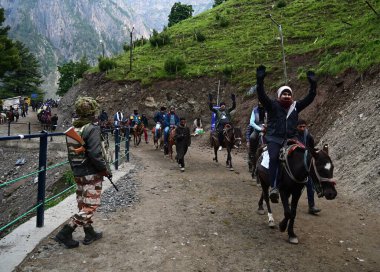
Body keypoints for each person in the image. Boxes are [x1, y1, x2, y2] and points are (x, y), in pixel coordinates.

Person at [55, 96, 111, 249]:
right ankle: (65, 232)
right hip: (91, 173)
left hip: (78, 172)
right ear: (92, 112)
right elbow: (95, 153)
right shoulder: (91, 129)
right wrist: (104, 169)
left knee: (82, 202)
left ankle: (89, 232)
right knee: (90, 206)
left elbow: (72, 153)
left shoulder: (74, 129)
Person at [256, 65, 317, 203]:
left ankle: (315, 185)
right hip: (274, 138)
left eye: (289, 93)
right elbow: (261, 95)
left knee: (307, 156)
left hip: (291, 138)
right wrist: (260, 81)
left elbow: (310, 98)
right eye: (284, 93)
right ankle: (274, 187)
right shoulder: (271, 105)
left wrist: (313, 85)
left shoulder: (296, 106)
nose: (287, 96)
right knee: (273, 157)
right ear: (279, 95)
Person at [296, 119, 321, 215]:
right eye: (300, 127)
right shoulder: (293, 136)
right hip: (296, 162)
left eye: (304, 126)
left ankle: (311, 206)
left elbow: (311, 148)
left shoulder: (308, 136)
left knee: (310, 185)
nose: (302, 128)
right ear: (296, 127)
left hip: (306, 164)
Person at [246, 102, 266, 174]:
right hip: (257, 129)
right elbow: (251, 122)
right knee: (252, 137)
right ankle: (252, 153)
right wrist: (260, 129)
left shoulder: (269, 108)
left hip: (268, 129)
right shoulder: (254, 110)